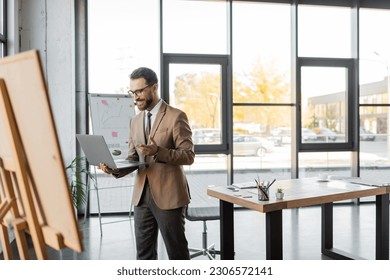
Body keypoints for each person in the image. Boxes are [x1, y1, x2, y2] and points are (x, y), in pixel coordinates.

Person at [99, 67, 195, 260]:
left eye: (140, 91)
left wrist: (158, 152)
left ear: (154, 87)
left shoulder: (176, 116)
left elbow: (188, 155)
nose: (136, 97)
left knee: (177, 253)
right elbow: (133, 158)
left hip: (169, 195)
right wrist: (114, 169)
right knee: (143, 255)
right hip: (141, 197)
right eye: (132, 92)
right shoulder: (134, 121)